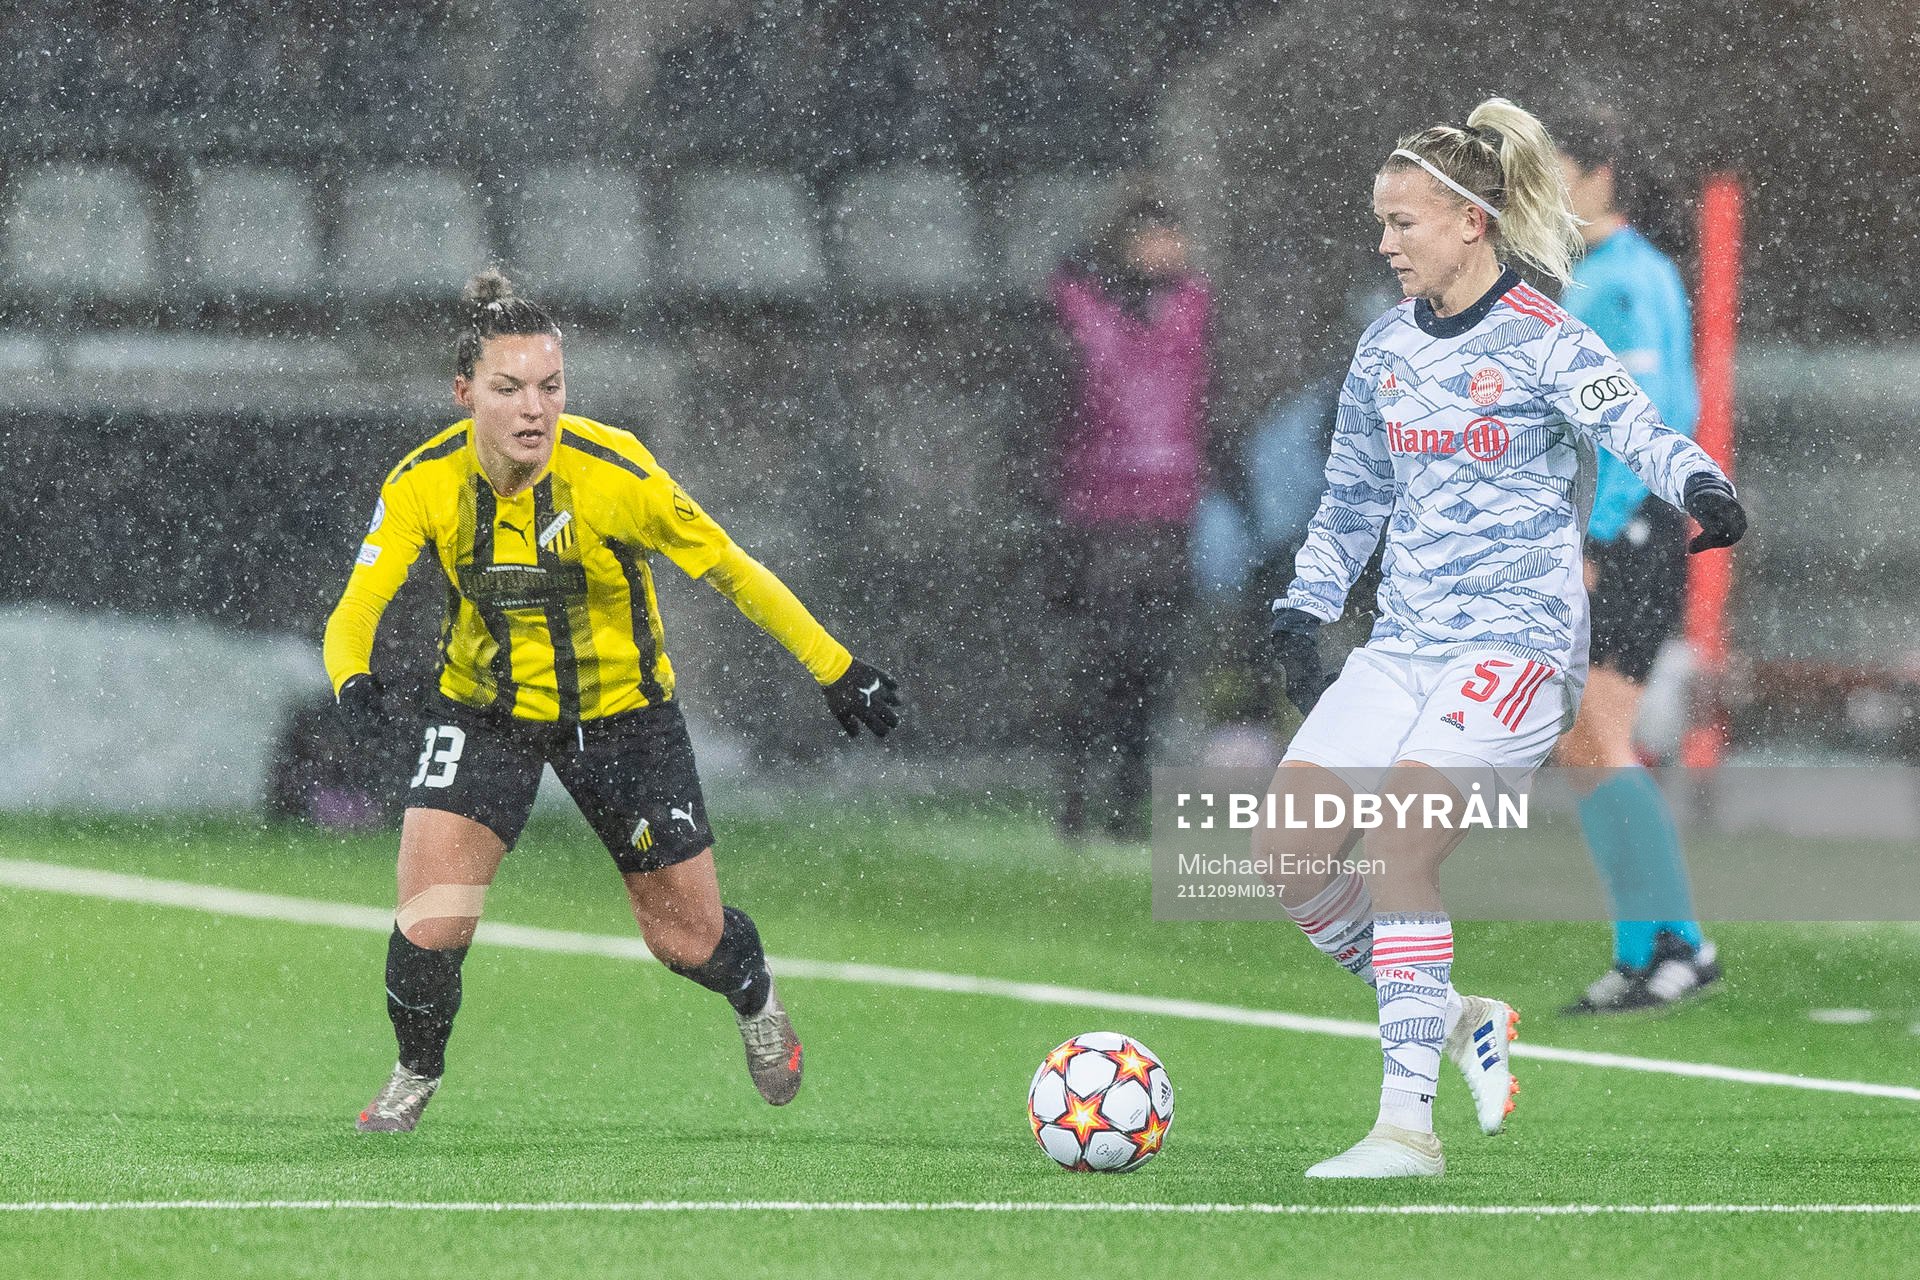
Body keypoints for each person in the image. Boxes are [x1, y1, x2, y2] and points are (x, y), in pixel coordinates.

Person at [1255, 98, 1746, 1178]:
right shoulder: (1384, 351)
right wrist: (1306, 603)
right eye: (1380, 224)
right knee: (1284, 854)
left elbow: (1636, 423)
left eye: (1403, 223)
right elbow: (1350, 501)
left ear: (1472, 221)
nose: (1385, 244)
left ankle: (1404, 1129)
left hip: (1517, 650)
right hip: (1405, 643)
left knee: (1398, 852)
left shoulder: (1546, 336)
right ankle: (1451, 1006)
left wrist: (1700, 481)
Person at [324, 269, 902, 1133]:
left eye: (550, 387)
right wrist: (354, 682)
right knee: (429, 922)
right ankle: (415, 1074)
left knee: (684, 941)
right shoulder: (423, 484)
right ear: (464, 392)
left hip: (624, 717)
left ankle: (753, 990)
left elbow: (733, 571)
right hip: (485, 715)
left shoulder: (614, 474)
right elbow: (354, 611)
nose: (533, 409)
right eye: (509, 388)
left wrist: (836, 666)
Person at [1552, 108, 1720, 1014]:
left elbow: (1650, 416)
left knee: (1600, 738)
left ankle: (1675, 948)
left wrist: (1601, 529)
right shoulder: (1577, 278)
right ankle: (1651, 950)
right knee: (1582, 741)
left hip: (1637, 528)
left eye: (1554, 166)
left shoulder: (1634, 278)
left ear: (1600, 174)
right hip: (1601, 529)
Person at [1046, 196, 1214, 841]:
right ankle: (1075, 793)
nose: (1166, 249)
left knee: (1150, 665)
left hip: (1169, 514)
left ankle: (1125, 799)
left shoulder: (1194, 307)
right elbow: (1048, 401)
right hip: (1095, 515)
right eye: (1153, 235)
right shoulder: (1077, 306)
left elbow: (1211, 399)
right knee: (1093, 663)